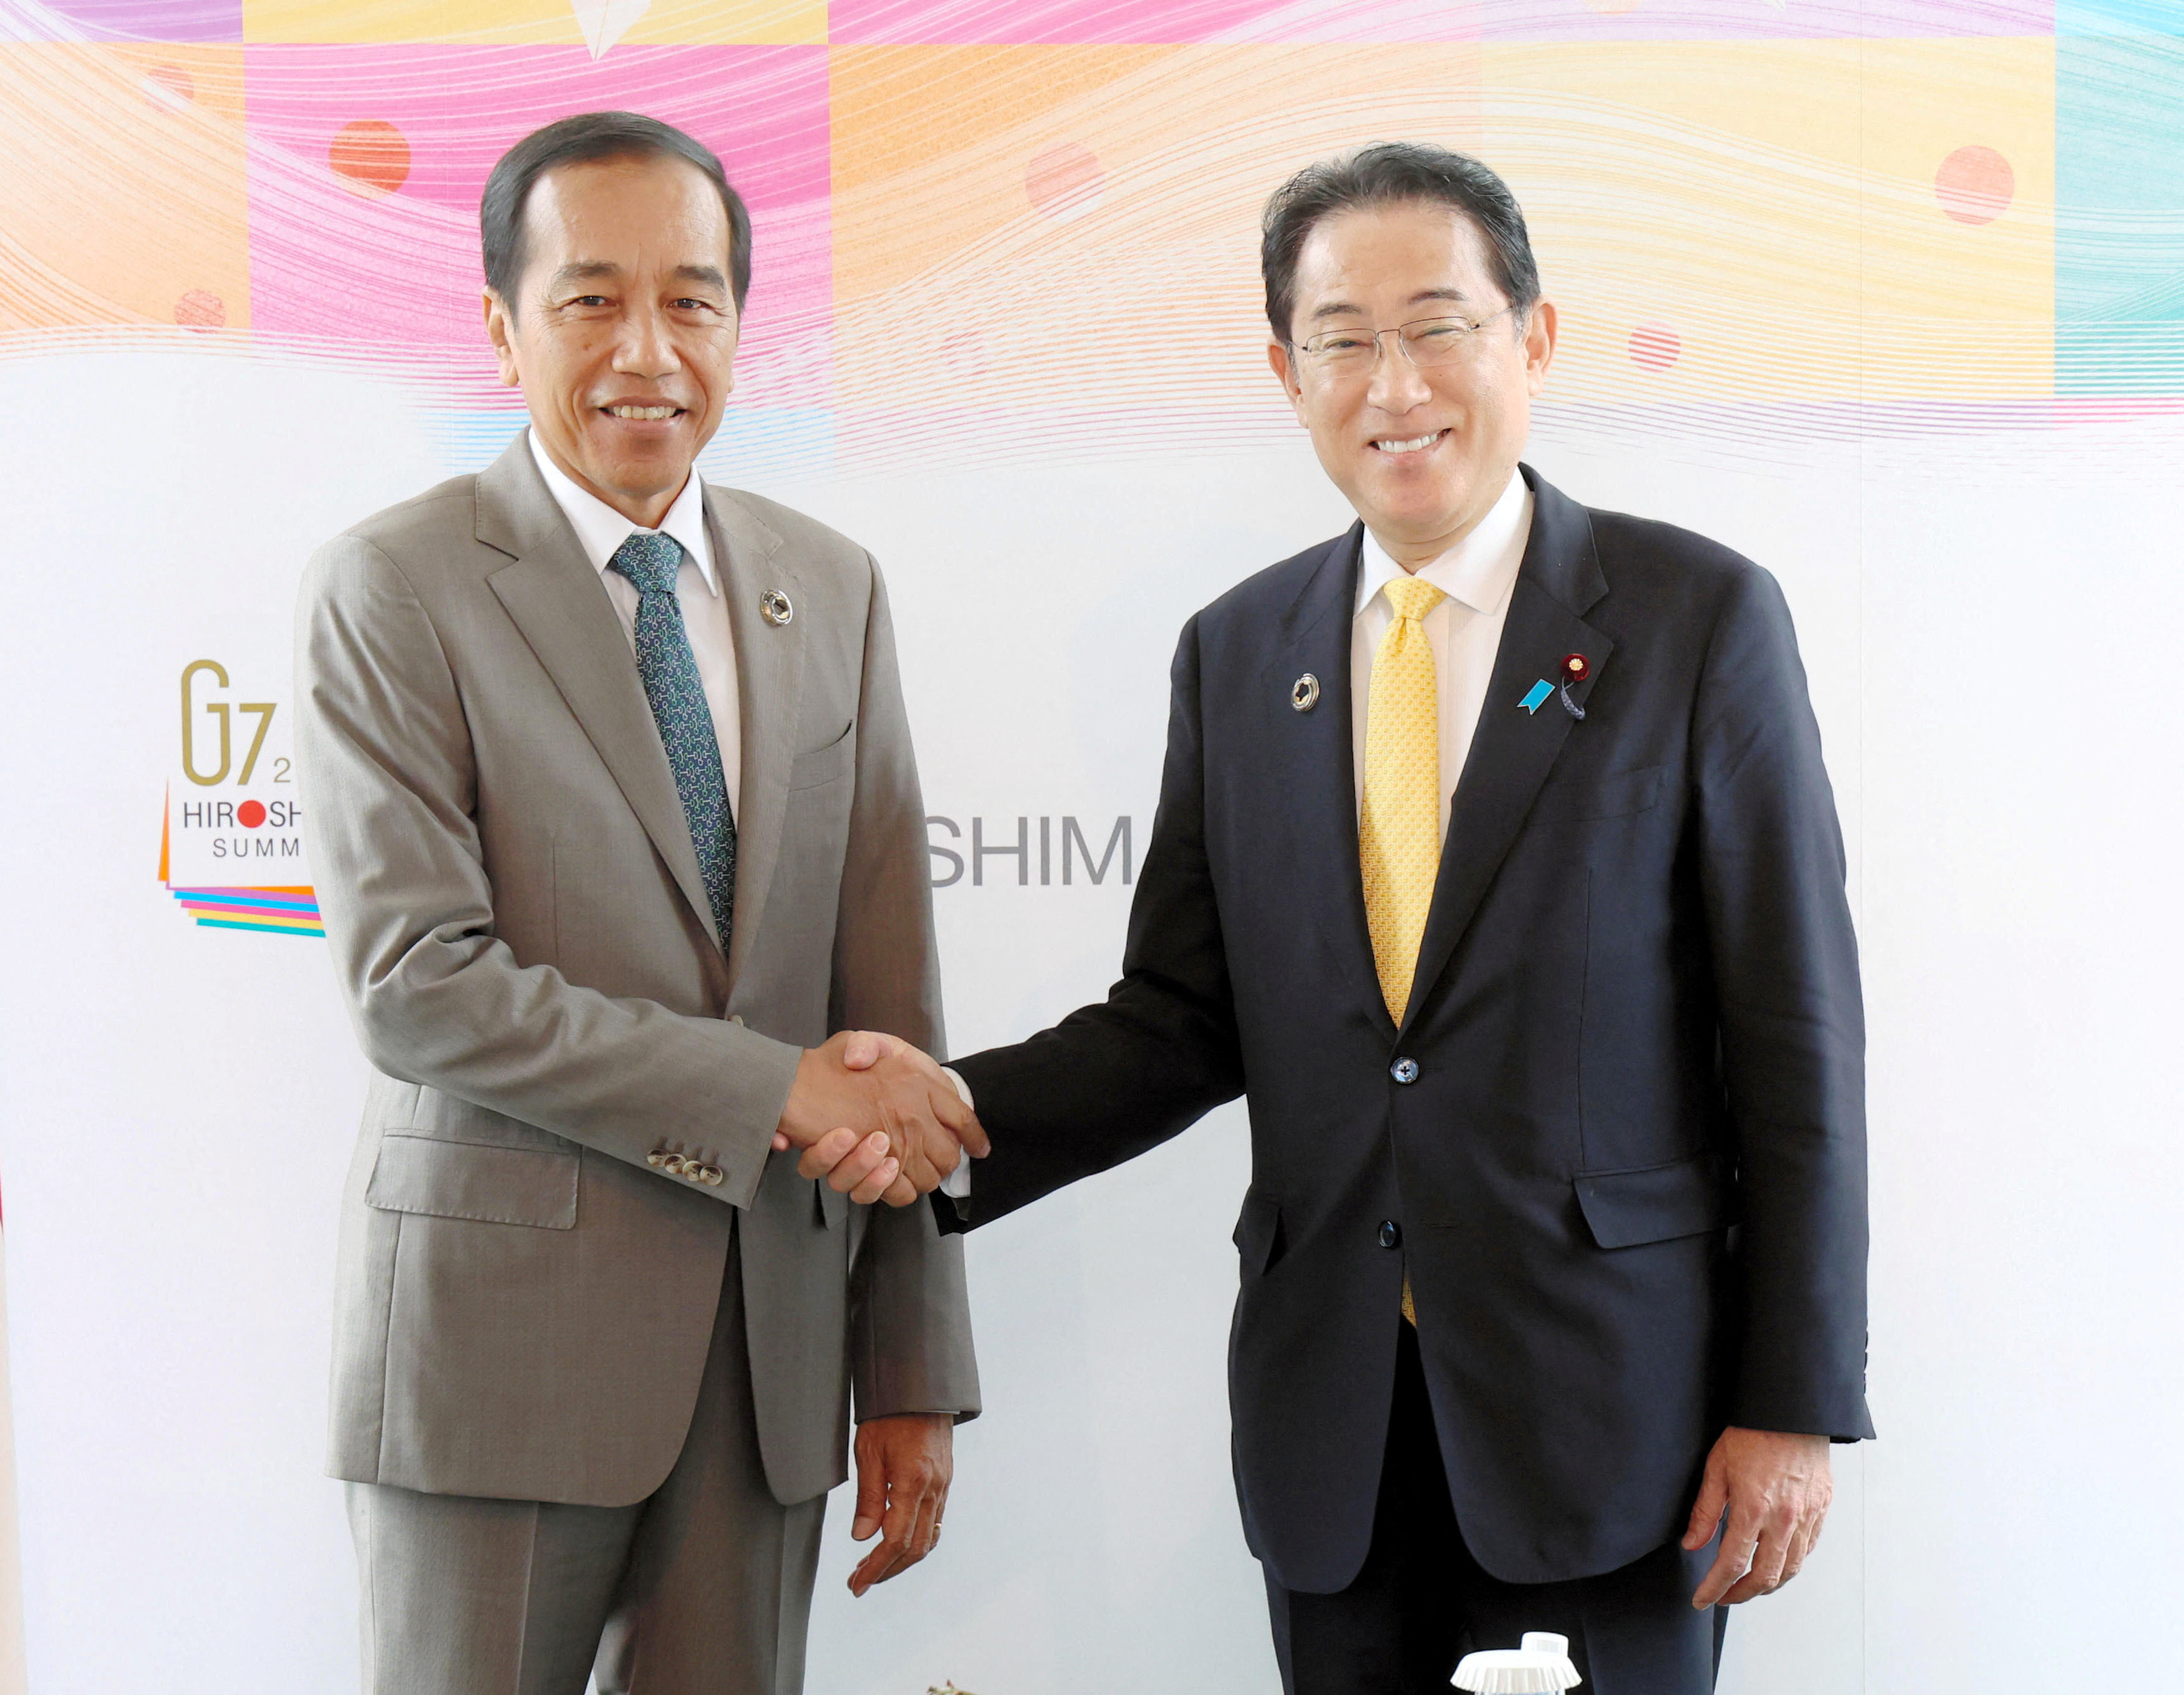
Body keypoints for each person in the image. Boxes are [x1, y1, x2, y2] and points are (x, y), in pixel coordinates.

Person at [823, 141, 1872, 1693]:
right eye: (1342, 339)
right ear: (1282, 368)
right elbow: (1179, 1020)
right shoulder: (1237, 653)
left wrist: (1790, 1402)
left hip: (1609, 1425)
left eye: (1439, 324)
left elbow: (1793, 1039)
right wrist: (945, 1118)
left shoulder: (1693, 621)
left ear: (1534, 335)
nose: (1396, 384)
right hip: (1338, 1437)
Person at [294, 110, 986, 1695]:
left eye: (692, 299)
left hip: (769, 1364)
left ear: (742, 323)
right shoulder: (394, 586)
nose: (646, 351)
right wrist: (771, 1091)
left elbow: (890, 1014)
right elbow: (418, 982)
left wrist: (909, 1365)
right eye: (589, 299)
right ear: (498, 324)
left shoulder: (836, 588)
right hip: (495, 1361)